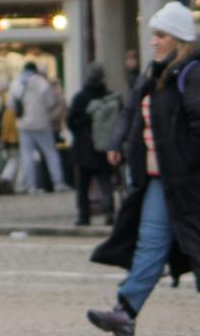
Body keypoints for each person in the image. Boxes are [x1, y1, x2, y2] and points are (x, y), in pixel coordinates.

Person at [87, 0, 200, 336]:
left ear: (179, 39)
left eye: (160, 35)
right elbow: (136, 113)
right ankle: (125, 311)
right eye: (153, 34)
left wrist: (187, 161)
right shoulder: (160, 72)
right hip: (165, 178)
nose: (153, 41)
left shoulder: (197, 72)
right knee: (150, 243)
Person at [67, 63, 119, 226]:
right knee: (106, 183)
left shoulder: (80, 97)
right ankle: (110, 213)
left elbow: (71, 122)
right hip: (104, 148)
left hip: (83, 148)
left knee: (83, 186)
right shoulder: (111, 97)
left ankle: (84, 216)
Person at [10, 62, 69, 193]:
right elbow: (50, 103)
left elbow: (11, 106)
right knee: (50, 153)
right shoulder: (42, 83)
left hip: (23, 125)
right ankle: (58, 183)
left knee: (27, 156)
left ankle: (31, 186)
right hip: (42, 124)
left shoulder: (15, 83)